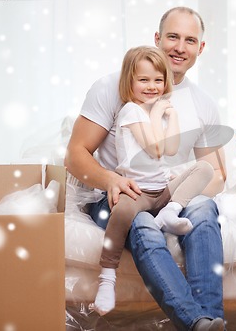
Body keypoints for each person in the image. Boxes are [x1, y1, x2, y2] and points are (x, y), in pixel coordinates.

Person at [65, 7, 226, 331]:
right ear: (157, 38)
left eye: (190, 40)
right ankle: (195, 323)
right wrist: (110, 178)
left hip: (166, 193)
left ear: (201, 48)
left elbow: (216, 174)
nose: (180, 47)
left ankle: (210, 319)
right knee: (141, 223)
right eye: (173, 37)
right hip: (120, 196)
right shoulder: (114, 87)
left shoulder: (201, 102)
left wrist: (181, 197)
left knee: (205, 209)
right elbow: (75, 154)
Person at [93, 46, 214, 316]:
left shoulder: (155, 111)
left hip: (161, 191)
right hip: (139, 193)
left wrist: (173, 116)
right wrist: (158, 113)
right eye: (144, 80)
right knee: (122, 212)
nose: (152, 86)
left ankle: (170, 213)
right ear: (130, 82)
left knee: (204, 168)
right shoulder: (130, 112)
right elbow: (155, 148)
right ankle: (107, 277)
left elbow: (170, 150)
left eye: (158, 80)